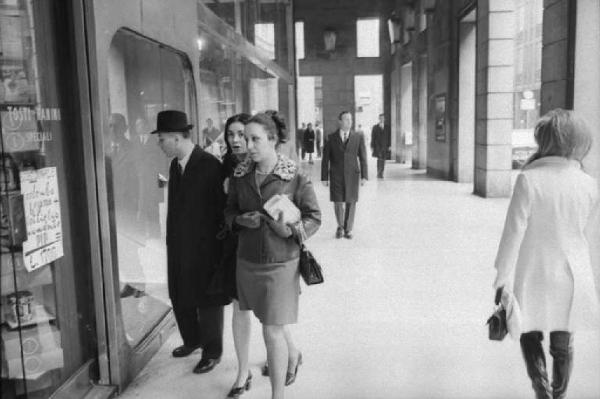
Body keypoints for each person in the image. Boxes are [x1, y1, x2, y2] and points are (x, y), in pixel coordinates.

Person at [492, 109, 600, 399]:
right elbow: (591, 236)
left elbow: (512, 233)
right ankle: (559, 394)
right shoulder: (589, 185)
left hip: (533, 272)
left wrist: (502, 279)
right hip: (572, 275)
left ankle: (541, 390)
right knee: (563, 340)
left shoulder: (529, 180)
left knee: (528, 331)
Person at [225, 111, 321, 399]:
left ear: (273, 139)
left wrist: (290, 231)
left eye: (255, 139)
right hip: (248, 261)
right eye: (245, 138)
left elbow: (314, 218)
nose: (248, 144)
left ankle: (277, 396)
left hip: (282, 263)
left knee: (272, 331)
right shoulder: (240, 176)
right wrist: (241, 221)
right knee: (258, 321)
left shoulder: (294, 176)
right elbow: (228, 212)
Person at [152, 110, 230, 374]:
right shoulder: (176, 165)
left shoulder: (209, 165)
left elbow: (221, 210)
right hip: (179, 245)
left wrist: (215, 249)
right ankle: (192, 340)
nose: (159, 144)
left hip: (205, 247)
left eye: (161, 139)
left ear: (176, 138)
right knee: (179, 294)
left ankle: (212, 352)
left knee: (208, 301)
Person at [321, 110, 368, 239]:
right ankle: (340, 226)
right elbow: (326, 159)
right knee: (337, 202)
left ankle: (348, 229)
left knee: (351, 201)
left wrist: (364, 175)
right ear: (340, 121)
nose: (350, 122)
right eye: (346, 119)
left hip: (353, 174)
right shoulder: (331, 138)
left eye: (351, 119)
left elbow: (363, 157)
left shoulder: (358, 137)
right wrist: (324, 177)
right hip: (336, 175)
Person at [371, 114, 390, 179]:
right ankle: (379, 173)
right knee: (379, 159)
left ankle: (381, 173)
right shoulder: (375, 127)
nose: (381, 119)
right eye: (380, 118)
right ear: (379, 118)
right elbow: (373, 137)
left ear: (384, 119)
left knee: (383, 160)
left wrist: (389, 145)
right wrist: (372, 146)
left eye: (383, 118)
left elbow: (389, 137)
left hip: (385, 146)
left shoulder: (387, 127)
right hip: (377, 146)